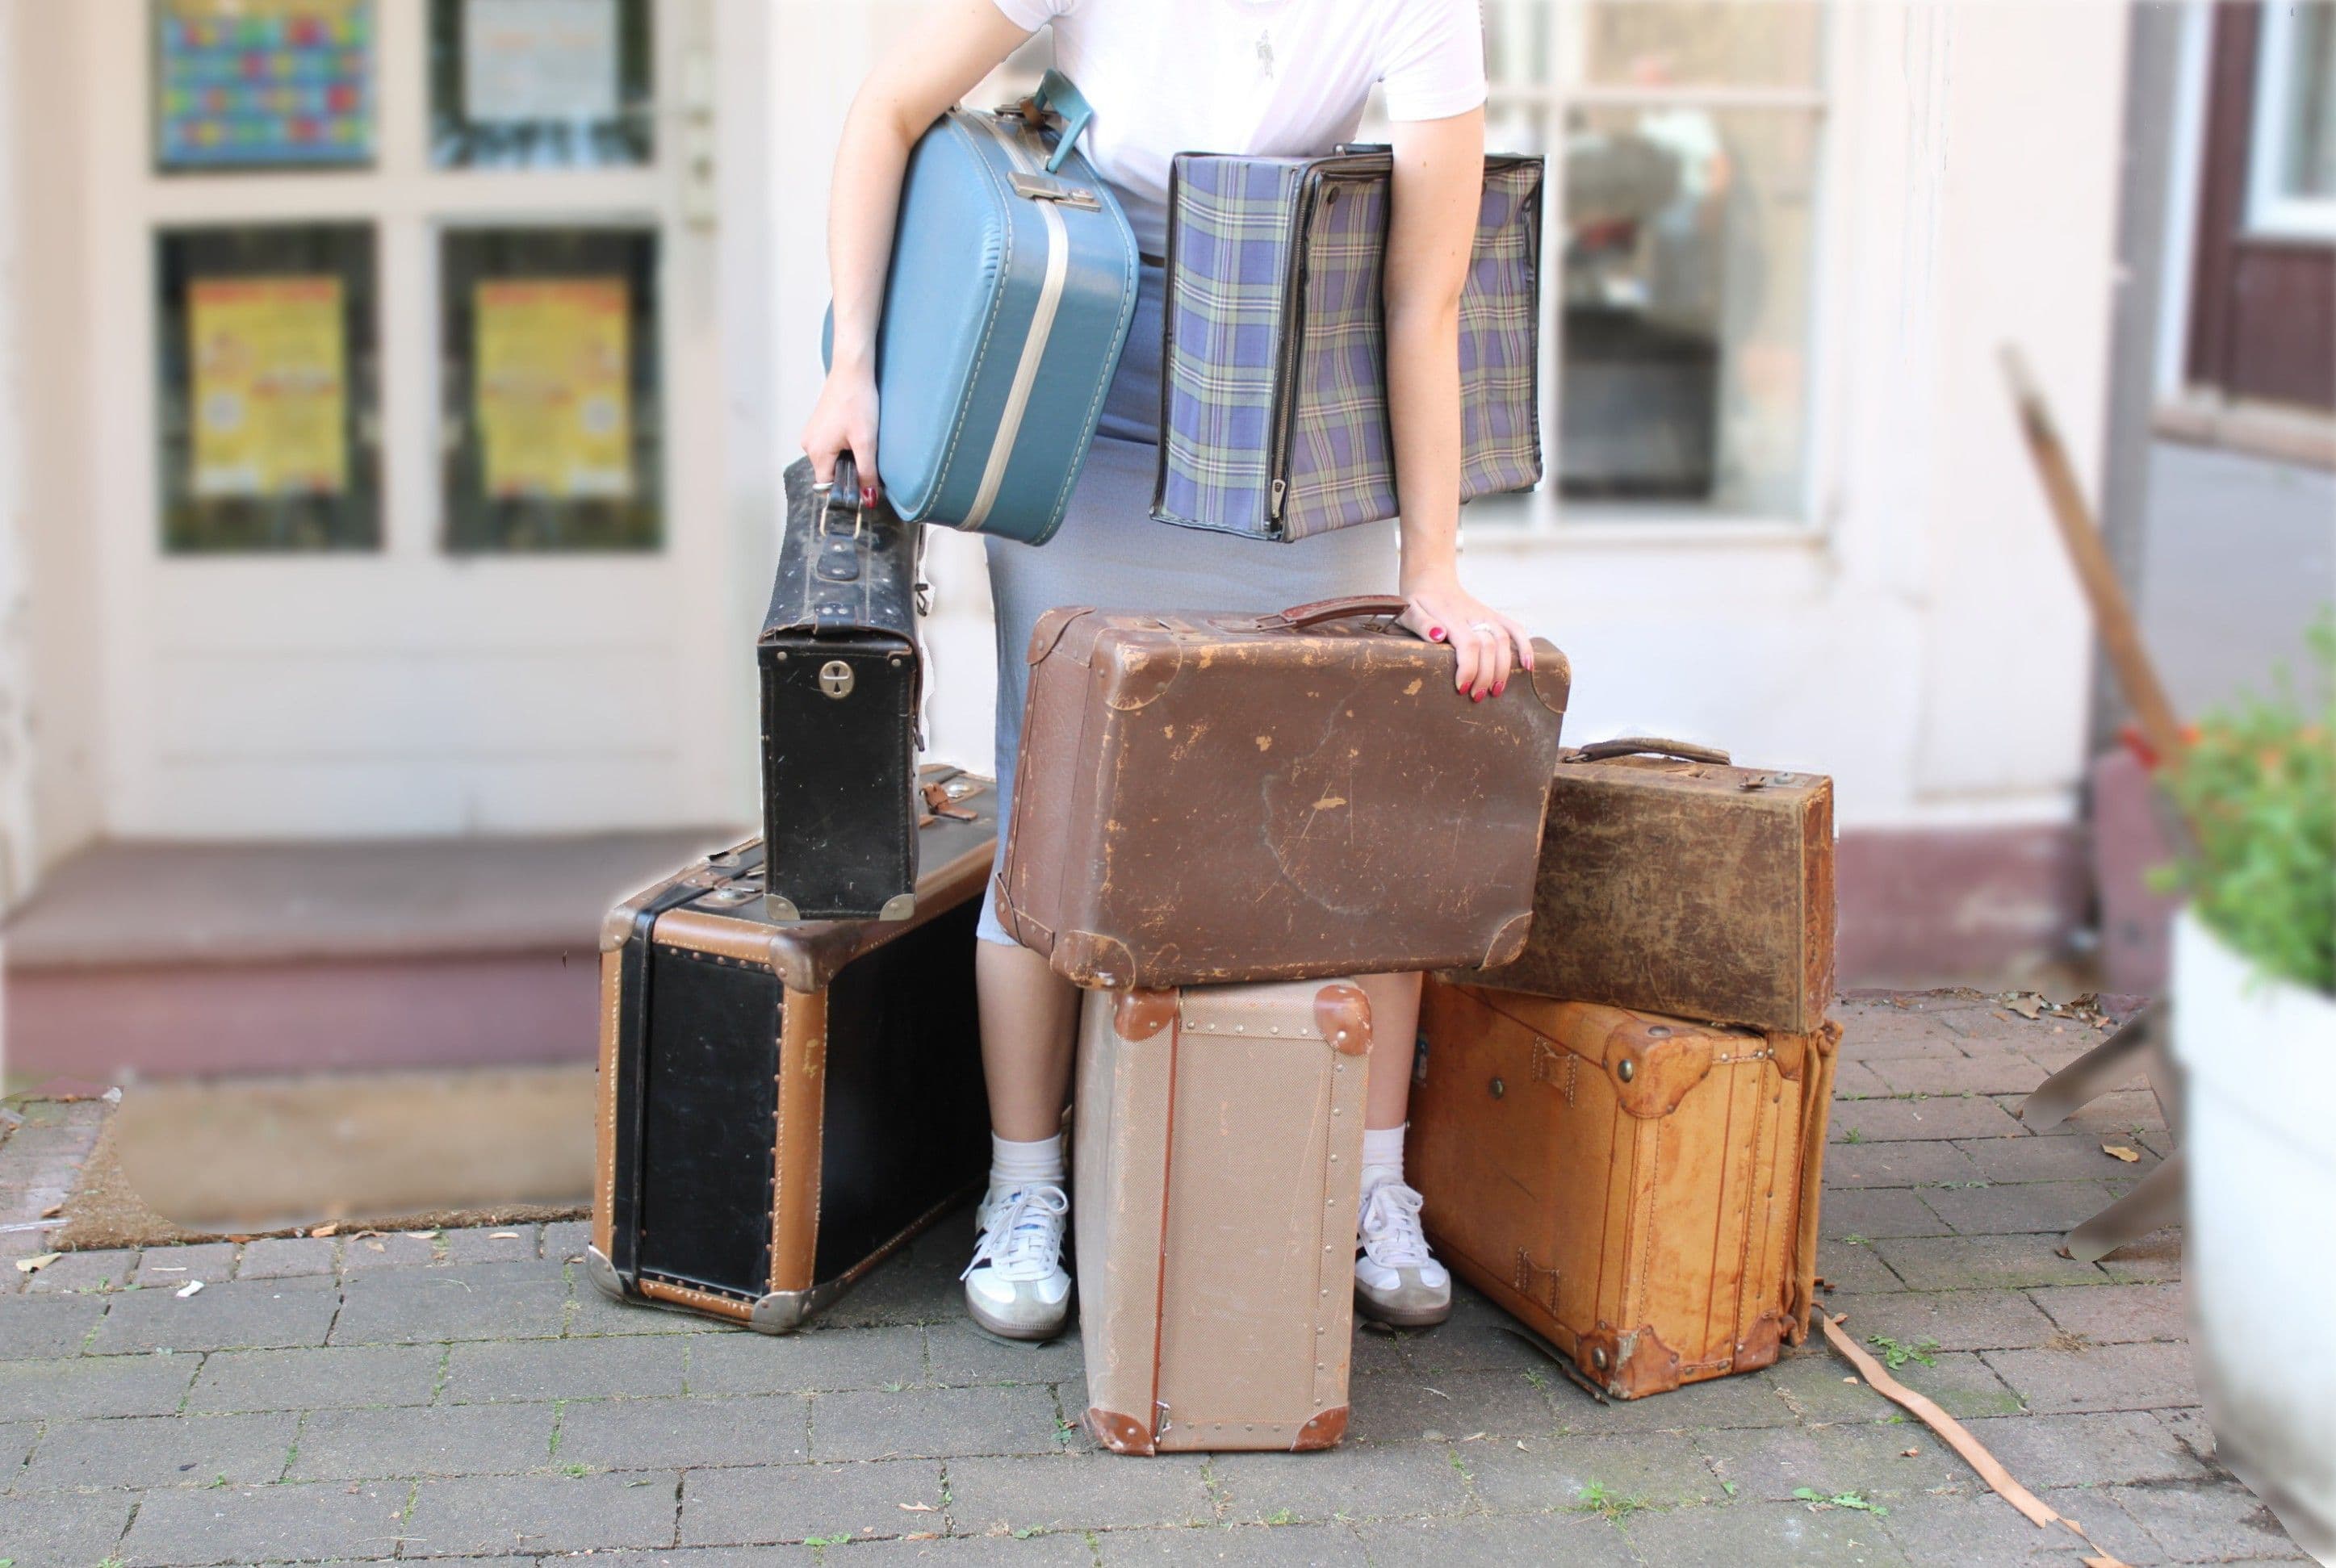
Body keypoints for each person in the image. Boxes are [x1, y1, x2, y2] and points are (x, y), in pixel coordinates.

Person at [802, 0, 1538, 1342]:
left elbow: (1421, 291)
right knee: (1057, 794)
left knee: (1351, 799)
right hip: (1085, 360)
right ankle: (1025, 1189)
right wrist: (851, 366)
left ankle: (1372, 1185)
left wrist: (1432, 563)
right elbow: (887, 113)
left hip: (1294, 390)